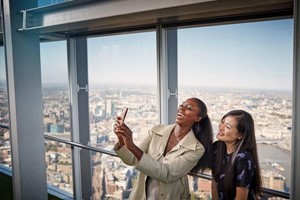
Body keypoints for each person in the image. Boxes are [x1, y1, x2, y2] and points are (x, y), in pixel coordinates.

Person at [113, 97, 213, 200]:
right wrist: (122, 138)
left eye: (189, 108)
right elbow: (131, 159)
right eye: (182, 105)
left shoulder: (196, 149)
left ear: (198, 118)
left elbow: (167, 174)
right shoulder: (157, 131)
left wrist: (132, 146)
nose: (182, 109)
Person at [211, 110, 262, 200]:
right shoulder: (216, 148)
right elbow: (215, 180)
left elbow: (241, 198)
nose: (221, 128)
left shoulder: (243, 158)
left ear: (240, 135)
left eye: (228, 126)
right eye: (222, 122)